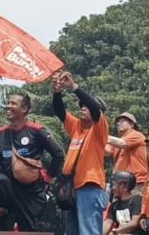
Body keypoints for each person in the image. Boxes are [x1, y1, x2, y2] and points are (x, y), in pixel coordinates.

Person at [0, 93, 66, 231]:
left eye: (13, 103)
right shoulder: (0, 134)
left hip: (31, 191)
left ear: (24, 109)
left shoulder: (36, 131)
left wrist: (47, 177)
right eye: (8, 103)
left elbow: (58, 155)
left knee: (28, 229)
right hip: (8, 186)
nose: (8, 106)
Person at [52, 72, 109, 235]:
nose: (82, 107)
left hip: (90, 187)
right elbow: (59, 111)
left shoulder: (99, 128)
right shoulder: (77, 127)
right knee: (72, 232)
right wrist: (57, 92)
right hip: (73, 187)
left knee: (88, 232)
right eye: (80, 105)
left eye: (86, 105)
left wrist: (74, 87)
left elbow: (95, 110)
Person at [106, 112, 148, 194]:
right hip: (120, 184)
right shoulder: (118, 140)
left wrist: (100, 135)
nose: (118, 123)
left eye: (122, 121)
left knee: (134, 205)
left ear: (132, 124)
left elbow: (121, 143)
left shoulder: (137, 135)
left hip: (136, 183)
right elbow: (107, 152)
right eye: (118, 122)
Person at [104, 171, 147, 235]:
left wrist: (115, 231)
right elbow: (108, 223)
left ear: (123, 185)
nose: (112, 188)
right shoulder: (114, 205)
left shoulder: (136, 200)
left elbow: (134, 223)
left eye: (113, 184)